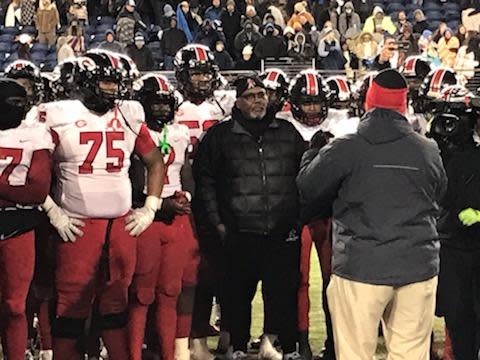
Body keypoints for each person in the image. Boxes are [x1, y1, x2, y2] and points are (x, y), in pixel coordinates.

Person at [297, 68, 447, 360]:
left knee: (354, 354)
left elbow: (309, 188)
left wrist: (312, 154)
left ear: (368, 103)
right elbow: (439, 194)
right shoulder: (428, 150)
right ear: (403, 106)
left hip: (360, 266)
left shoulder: (346, 147)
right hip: (417, 265)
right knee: (411, 355)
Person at [37, 50, 165, 360]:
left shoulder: (129, 113)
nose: (114, 91)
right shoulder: (57, 114)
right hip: (78, 223)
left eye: (116, 84)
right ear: (85, 81)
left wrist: (151, 206)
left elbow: (154, 160)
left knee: (116, 301)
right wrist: (53, 211)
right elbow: (34, 168)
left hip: (120, 223)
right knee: (70, 304)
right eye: (107, 83)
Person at [193, 74, 305, 360]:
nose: (258, 100)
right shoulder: (219, 136)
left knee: (282, 294)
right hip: (239, 230)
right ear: (238, 101)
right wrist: (218, 223)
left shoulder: (287, 132)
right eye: (251, 95)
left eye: (261, 94)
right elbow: (205, 183)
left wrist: (296, 219)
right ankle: (238, 345)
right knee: (236, 297)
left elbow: (305, 178)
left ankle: (281, 344)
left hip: (281, 230)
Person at [173, 44, 236, 360]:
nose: (202, 80)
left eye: (205, 73)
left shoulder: (222, 107)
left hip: (218, 195)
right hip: (184, 196)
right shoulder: (172, 107)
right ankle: (190, 334)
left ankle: (225, 331)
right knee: (188, 271)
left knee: (221, 269)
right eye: (196, 74)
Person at [128, 74, 196, 360]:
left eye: (165, 103)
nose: (161, 109)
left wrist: (186, 197)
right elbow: (129, 184)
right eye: (155, 103)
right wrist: (161, 205)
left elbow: (186, 174)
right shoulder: (132, 132)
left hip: (175, 220)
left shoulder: (178, 133)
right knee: (141, 293)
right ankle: (132, 353)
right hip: (144, 217)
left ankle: (170, 354)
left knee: (170, 291)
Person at [0, 78, 54, 360]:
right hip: (19, 216)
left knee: (15, 306)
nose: (18, 110)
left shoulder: (35, 133)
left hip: (18, 225)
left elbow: (37, 191)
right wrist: (13, 192)